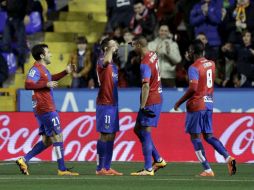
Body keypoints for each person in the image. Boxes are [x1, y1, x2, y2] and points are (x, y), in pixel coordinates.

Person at [173, 40, 237, 177]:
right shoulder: (212, 64)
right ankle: (228, 157)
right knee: (208, 136)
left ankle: (207, 169)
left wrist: (179, 102)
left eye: (189, 51)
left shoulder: (193, 67)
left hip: (197, 104)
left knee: (195, 137)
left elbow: (193, 88)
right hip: (209, 102)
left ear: (192, 52)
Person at [16, 44, 79, 176]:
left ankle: (24, 159)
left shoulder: (43, 70)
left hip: (42, 108)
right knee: (57, 136)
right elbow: (28, 84)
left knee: (48, 140)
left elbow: (51, 79)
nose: (50, 54)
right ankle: (62, 169)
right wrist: (46, 84)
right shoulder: (36, 69)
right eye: (48, 52)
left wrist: (65, 72)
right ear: (42, 56)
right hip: (45, 107)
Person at [130, 35, 166, 176]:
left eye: (134, 45)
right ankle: (157, 159)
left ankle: (148, 168)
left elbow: (145, 86)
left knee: (145, 131)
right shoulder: (152, 54)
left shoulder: (145, 63)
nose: (132, 47)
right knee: (137, 129)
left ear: (139, 45)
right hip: (157, 95)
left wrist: (143, 106)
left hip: (151, 99)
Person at [95, 38, 123, 176]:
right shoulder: (102, 61)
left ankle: (107, 167)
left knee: (111, 135)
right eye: (113, 45)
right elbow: (106, 61)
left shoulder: (114, 65)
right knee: (105, 134)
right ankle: (100, 168)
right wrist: (110, 50)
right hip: (104, 103)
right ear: (106, 48)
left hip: (113, 104)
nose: (117, 46)